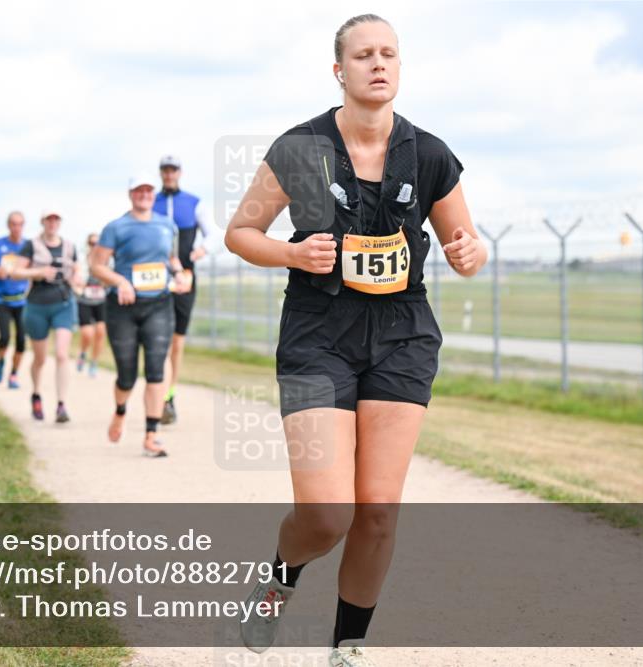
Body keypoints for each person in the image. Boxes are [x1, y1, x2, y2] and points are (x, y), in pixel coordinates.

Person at [224, 15, 486, 665]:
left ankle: (348, 646)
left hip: (402, 336)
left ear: (399, 67)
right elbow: (240, 232)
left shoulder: (427, 154)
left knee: (376, 511)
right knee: (327, 513)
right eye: (364, 54)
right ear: (339, 70)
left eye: (389, 53)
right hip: (318, 337)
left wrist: (471, 250)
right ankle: (281, 576)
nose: (378, 63)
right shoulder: (300, 148)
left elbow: (463, 247)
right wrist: (291, 251)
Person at [91, 173, 188, 458]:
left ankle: (152, 433)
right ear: (130, 193)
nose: (144, 194)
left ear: (153, 193)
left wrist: (181, 274)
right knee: (127, 374)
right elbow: (96, 265)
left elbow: (171, 259)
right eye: (138, 190)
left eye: (148, 189)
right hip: (122, 308)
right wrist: (120, 282)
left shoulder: (167, 225)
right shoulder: (116, 227)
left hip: (159, 304)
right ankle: (120, 410)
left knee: (157, 369)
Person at [5, 209, 81, 423]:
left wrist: (77, 279)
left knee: (61, 354)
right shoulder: (31, 245)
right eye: (49, 219)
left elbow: (76, 270)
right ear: (43, 222)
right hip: (37, 304)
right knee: (40, 358)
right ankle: (36, 393)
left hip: (63, 302)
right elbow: (16, 272)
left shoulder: (69, 246)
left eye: (56, 219)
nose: (52, 223)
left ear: (60, 222)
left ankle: (61, 404)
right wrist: (38, 272)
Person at [152, 155, 211, 424]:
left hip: (185, 278)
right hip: (154, 279)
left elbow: (215, 235)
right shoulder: (151, 201)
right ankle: (156, 394)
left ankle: (169, 396)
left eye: (172, 169)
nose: (169, 174)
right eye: (165, 170)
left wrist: (201, 250)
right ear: (161, 173)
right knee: (157, 340)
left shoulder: (194, 202)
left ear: (180, 172)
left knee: (176, 342)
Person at [0, 211, 30, 389]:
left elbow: (34, 267)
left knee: (21, 340)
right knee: (4, 337)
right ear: (8, 225)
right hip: (2, 298)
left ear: (23, 225)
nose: (16, 227)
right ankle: (1, 360)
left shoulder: (28, 246)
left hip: (22, 300)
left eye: (20, 224)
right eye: (13, 224)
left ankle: (13, 374)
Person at [75, 233, 107, 378]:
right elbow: (76, 279)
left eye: (97, 243)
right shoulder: (81, 260)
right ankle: (82, 353)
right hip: (85, 300)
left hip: (101, 300)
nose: (94, 246)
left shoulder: (107, 260)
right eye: (91, 243)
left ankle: (94, 362)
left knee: (100, 332)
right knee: (88, 334)